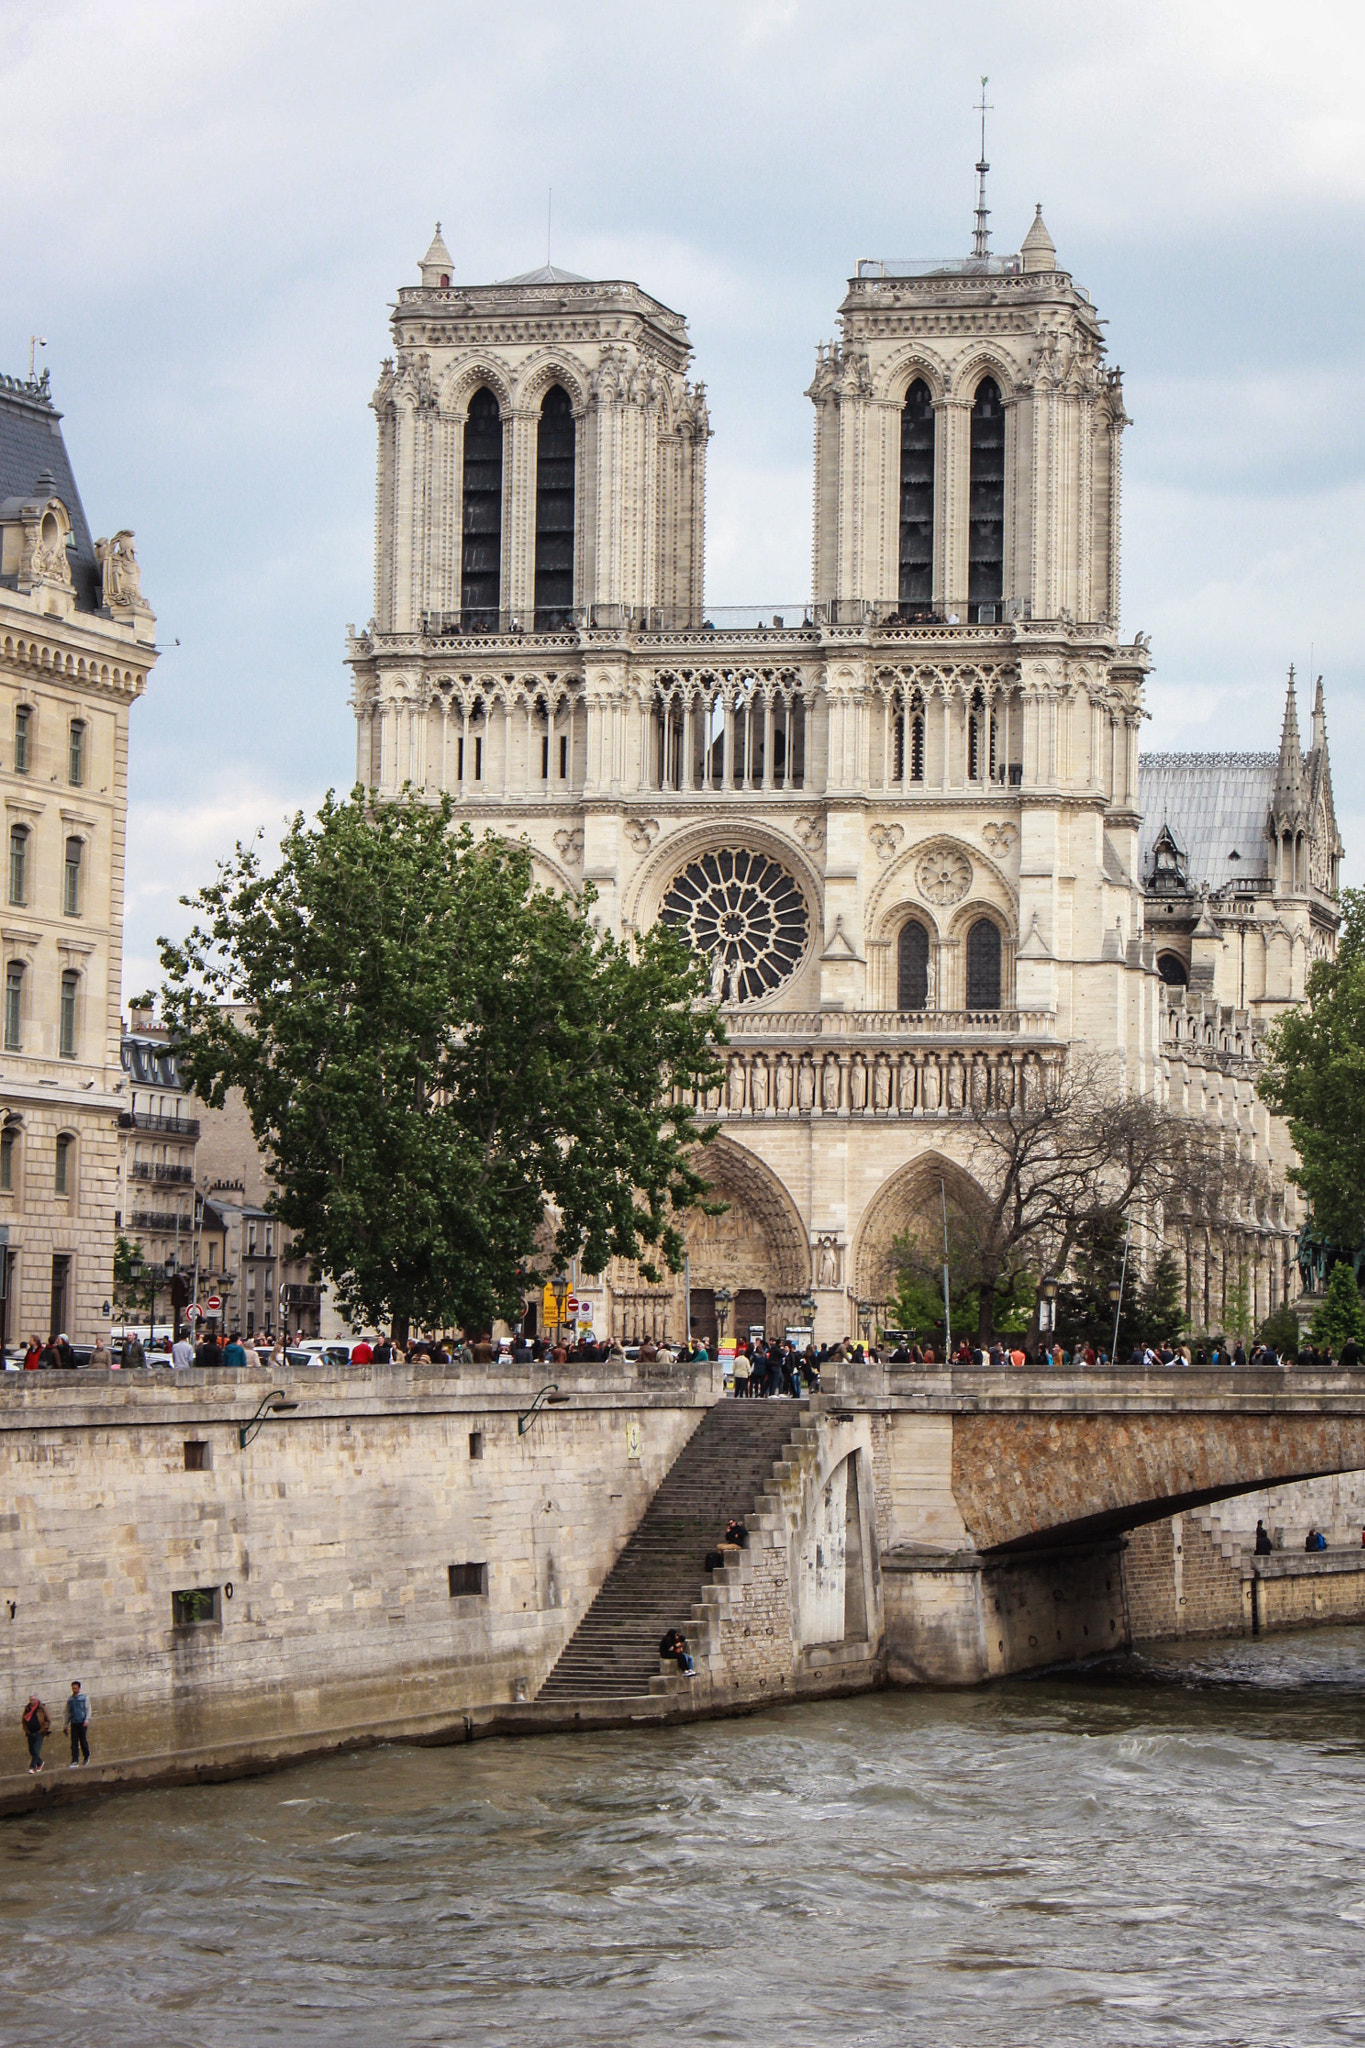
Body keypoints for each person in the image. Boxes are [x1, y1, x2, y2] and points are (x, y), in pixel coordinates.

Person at [64, 1680, 90, 1767]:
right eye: (73, 1688)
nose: (74, 1690)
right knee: (74, 1743)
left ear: (79, 1688)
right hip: (74, 1722)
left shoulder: (84, 1698)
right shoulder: (70, 1700)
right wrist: (66, 1724)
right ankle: (75, 1760)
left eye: (75, 1688)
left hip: (82, 1722)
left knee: (83, 1741)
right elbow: (67, 1712)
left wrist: (86, 1720)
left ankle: (86, 1756)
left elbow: (88, 1709)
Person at [21, 1695, 49, 1773]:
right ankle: (40, 1763)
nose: (31, 1701)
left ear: (36, 1700)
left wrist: (43, 1729)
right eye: (30, 1700)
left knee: (36, 1750)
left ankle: (32, 1767)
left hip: (39, 1732)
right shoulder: (27, 1709)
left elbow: (48, 1719)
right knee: (31, 1750)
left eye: (33, 1700)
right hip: (30, 1732)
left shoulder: (41, 1708)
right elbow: (23, 1720)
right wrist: (27, 1731)